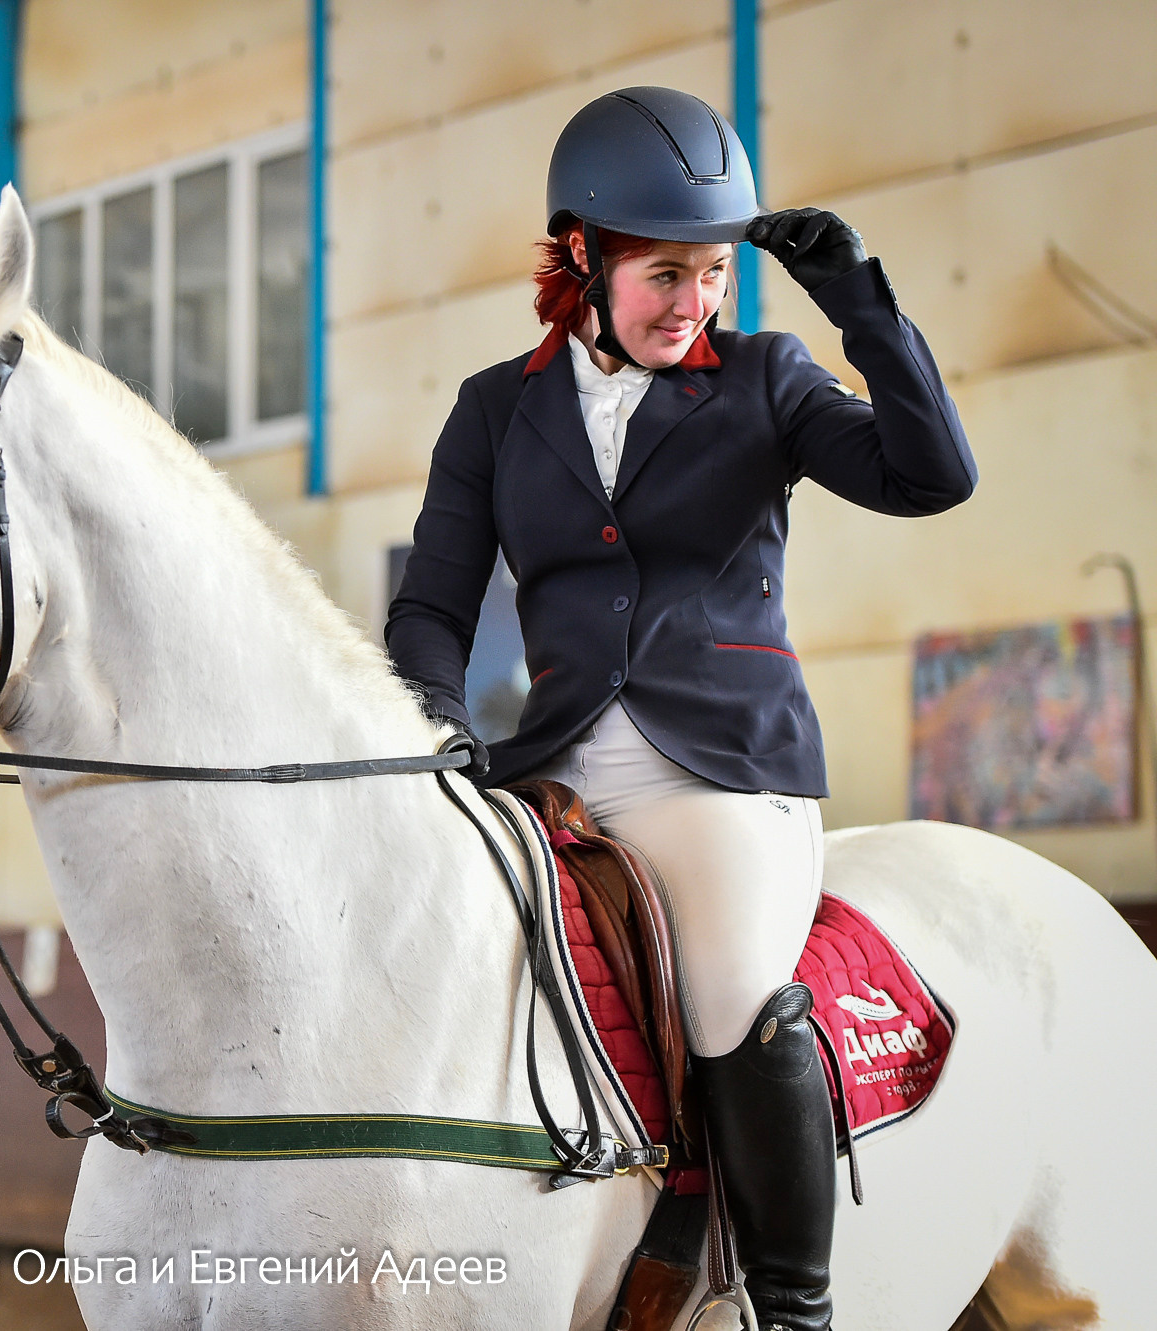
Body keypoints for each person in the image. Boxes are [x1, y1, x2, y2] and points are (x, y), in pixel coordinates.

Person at [385, 86, 975, 1331]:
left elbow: (930, 477)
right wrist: (436, 718)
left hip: (720, 776)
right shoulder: (495, 410)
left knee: (727, 999)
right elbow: (431, 603)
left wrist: (857, 302)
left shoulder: (764, 378)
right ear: (582, 258)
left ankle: (792, 1303)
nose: (691, 300)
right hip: (544, 774)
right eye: (664, 272)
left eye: (708, 272)